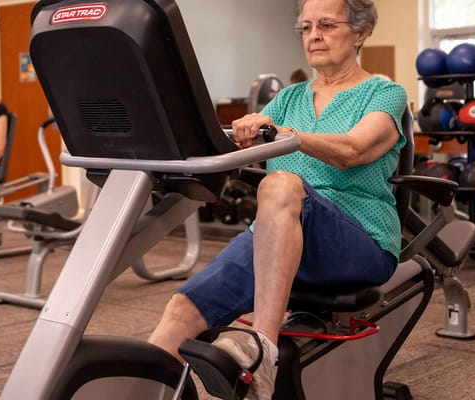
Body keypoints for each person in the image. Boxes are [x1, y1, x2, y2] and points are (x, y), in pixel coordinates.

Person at [147, 0, 406, 398]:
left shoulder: (384, 93)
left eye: (326, 25)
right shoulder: (289, 98)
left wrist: (284, 135)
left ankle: (262, 351)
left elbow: (354, 150)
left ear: (361, 32)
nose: (314, 36)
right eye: (306, 27)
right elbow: (238, 146)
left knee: (281, 184)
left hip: (358, 240)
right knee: (182, 309)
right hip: (276, 235)